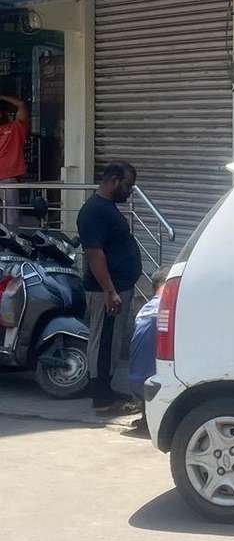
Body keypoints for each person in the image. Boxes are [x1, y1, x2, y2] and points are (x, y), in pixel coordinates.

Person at [77, 161, 142, 413]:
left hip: (116, 287)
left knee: (112, 342)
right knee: (104, 341)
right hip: (106, 290)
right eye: (128, 185)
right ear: (114, 180)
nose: (129, 191)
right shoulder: (94, 211)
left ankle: (105, 390)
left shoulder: (106, 208)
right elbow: (95, 253)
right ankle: (102, 399)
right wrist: (110, 290)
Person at [127, 266, 169, 434]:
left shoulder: (144, 310)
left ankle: (146, 418)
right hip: (156, 382)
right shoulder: (168, 309)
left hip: (135, 382)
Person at [0, 94, 28, 228]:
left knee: (11, 218)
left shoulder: (15, 128)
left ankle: (10, 244)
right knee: (11, 216)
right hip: (8, 179)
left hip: (8, 179)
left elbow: (21, 105)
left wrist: (1, 96)